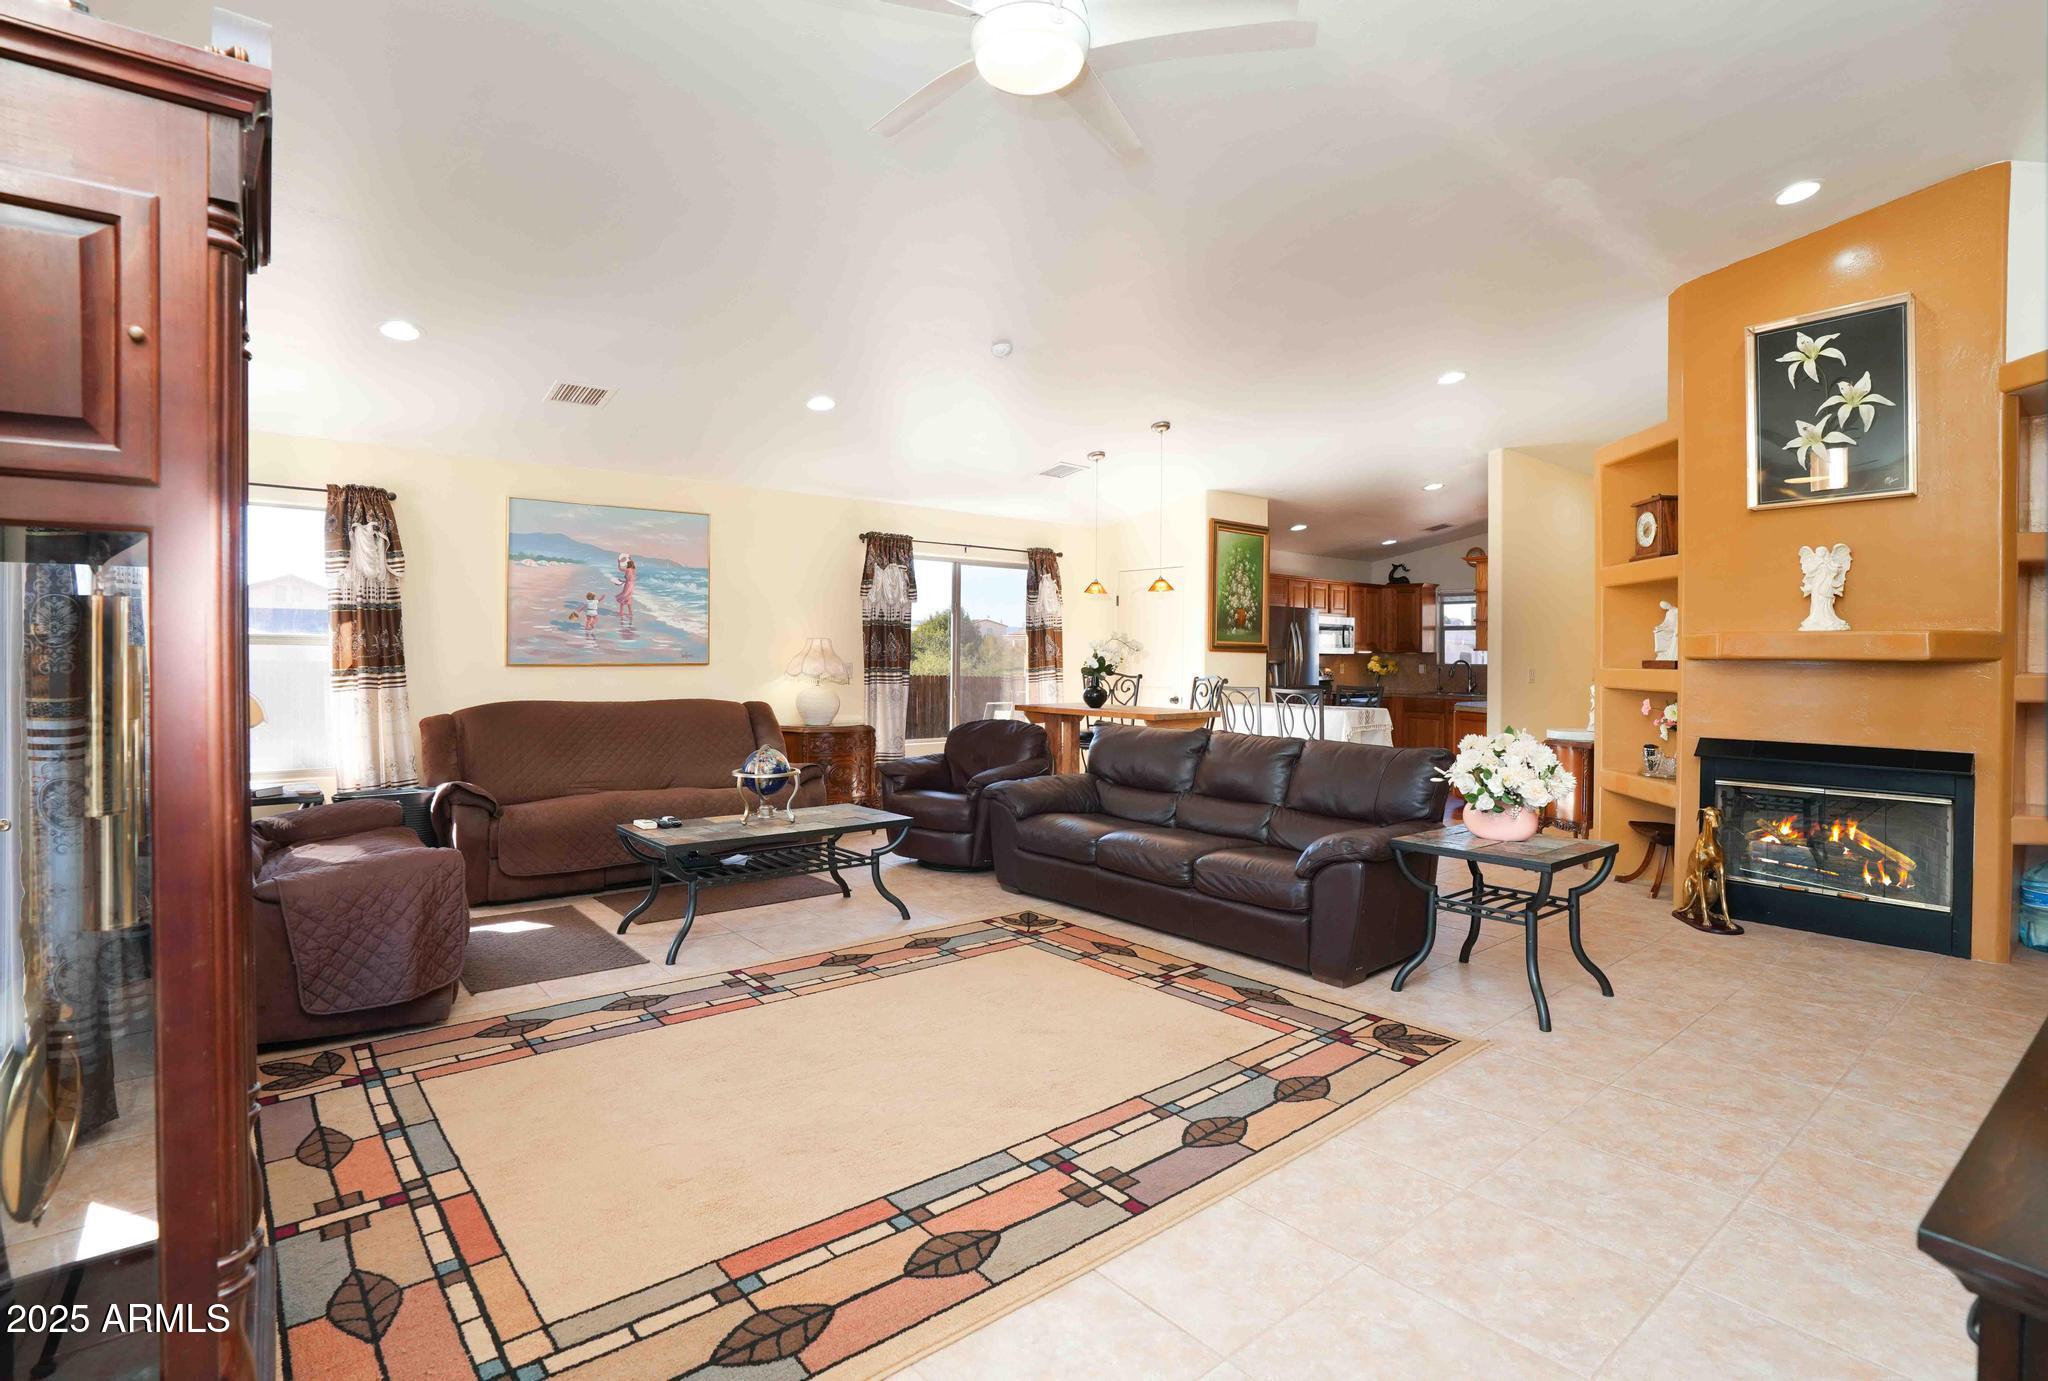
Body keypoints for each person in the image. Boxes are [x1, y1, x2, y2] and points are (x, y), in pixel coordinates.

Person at [612, 553, 637, 629]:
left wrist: (619, 562)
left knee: (623, 597)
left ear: (628, 564)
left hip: (628, 585)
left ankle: (621, 612)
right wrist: (630, 558)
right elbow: (629, 579)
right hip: (631, 585)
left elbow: (620, 569)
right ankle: (630, 613)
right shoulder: (633, 569)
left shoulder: (628, 569)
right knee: (628, 598)